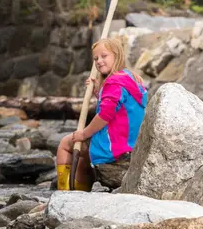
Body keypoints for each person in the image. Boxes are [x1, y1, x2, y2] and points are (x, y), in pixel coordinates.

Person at [56, 37, 147, 191]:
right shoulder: (130, 77)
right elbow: (120, 107)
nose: (99, 61)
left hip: (115, 148)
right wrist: (98, 92)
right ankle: (79, 189)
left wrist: (84, 134)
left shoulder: (113, 84)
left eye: (104, 56)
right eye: (96, 58)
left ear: (117, 56)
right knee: (83, 155)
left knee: (66, 144)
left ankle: (65, 191)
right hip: (131, 144)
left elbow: (105, 116)